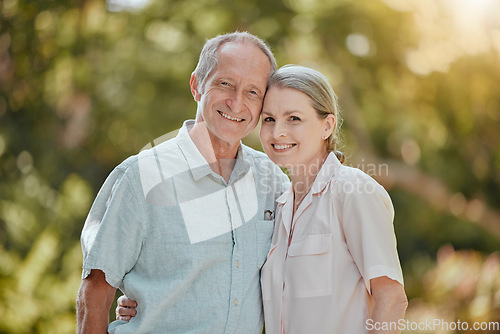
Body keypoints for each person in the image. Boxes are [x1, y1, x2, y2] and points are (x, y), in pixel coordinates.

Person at [118, 65, 408, 333]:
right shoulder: (277, 203)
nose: (278, 131)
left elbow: (391, 297)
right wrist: (148, 302)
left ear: (327, 125)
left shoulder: (352, 191)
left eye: (294, 118)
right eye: (269, 119)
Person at [76, 31, 289, 333]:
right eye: (224, 84)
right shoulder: (141, 177)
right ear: (196, 86)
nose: (236, 102)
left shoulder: (272, 180)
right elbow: (94, 296)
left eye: (253, 92)